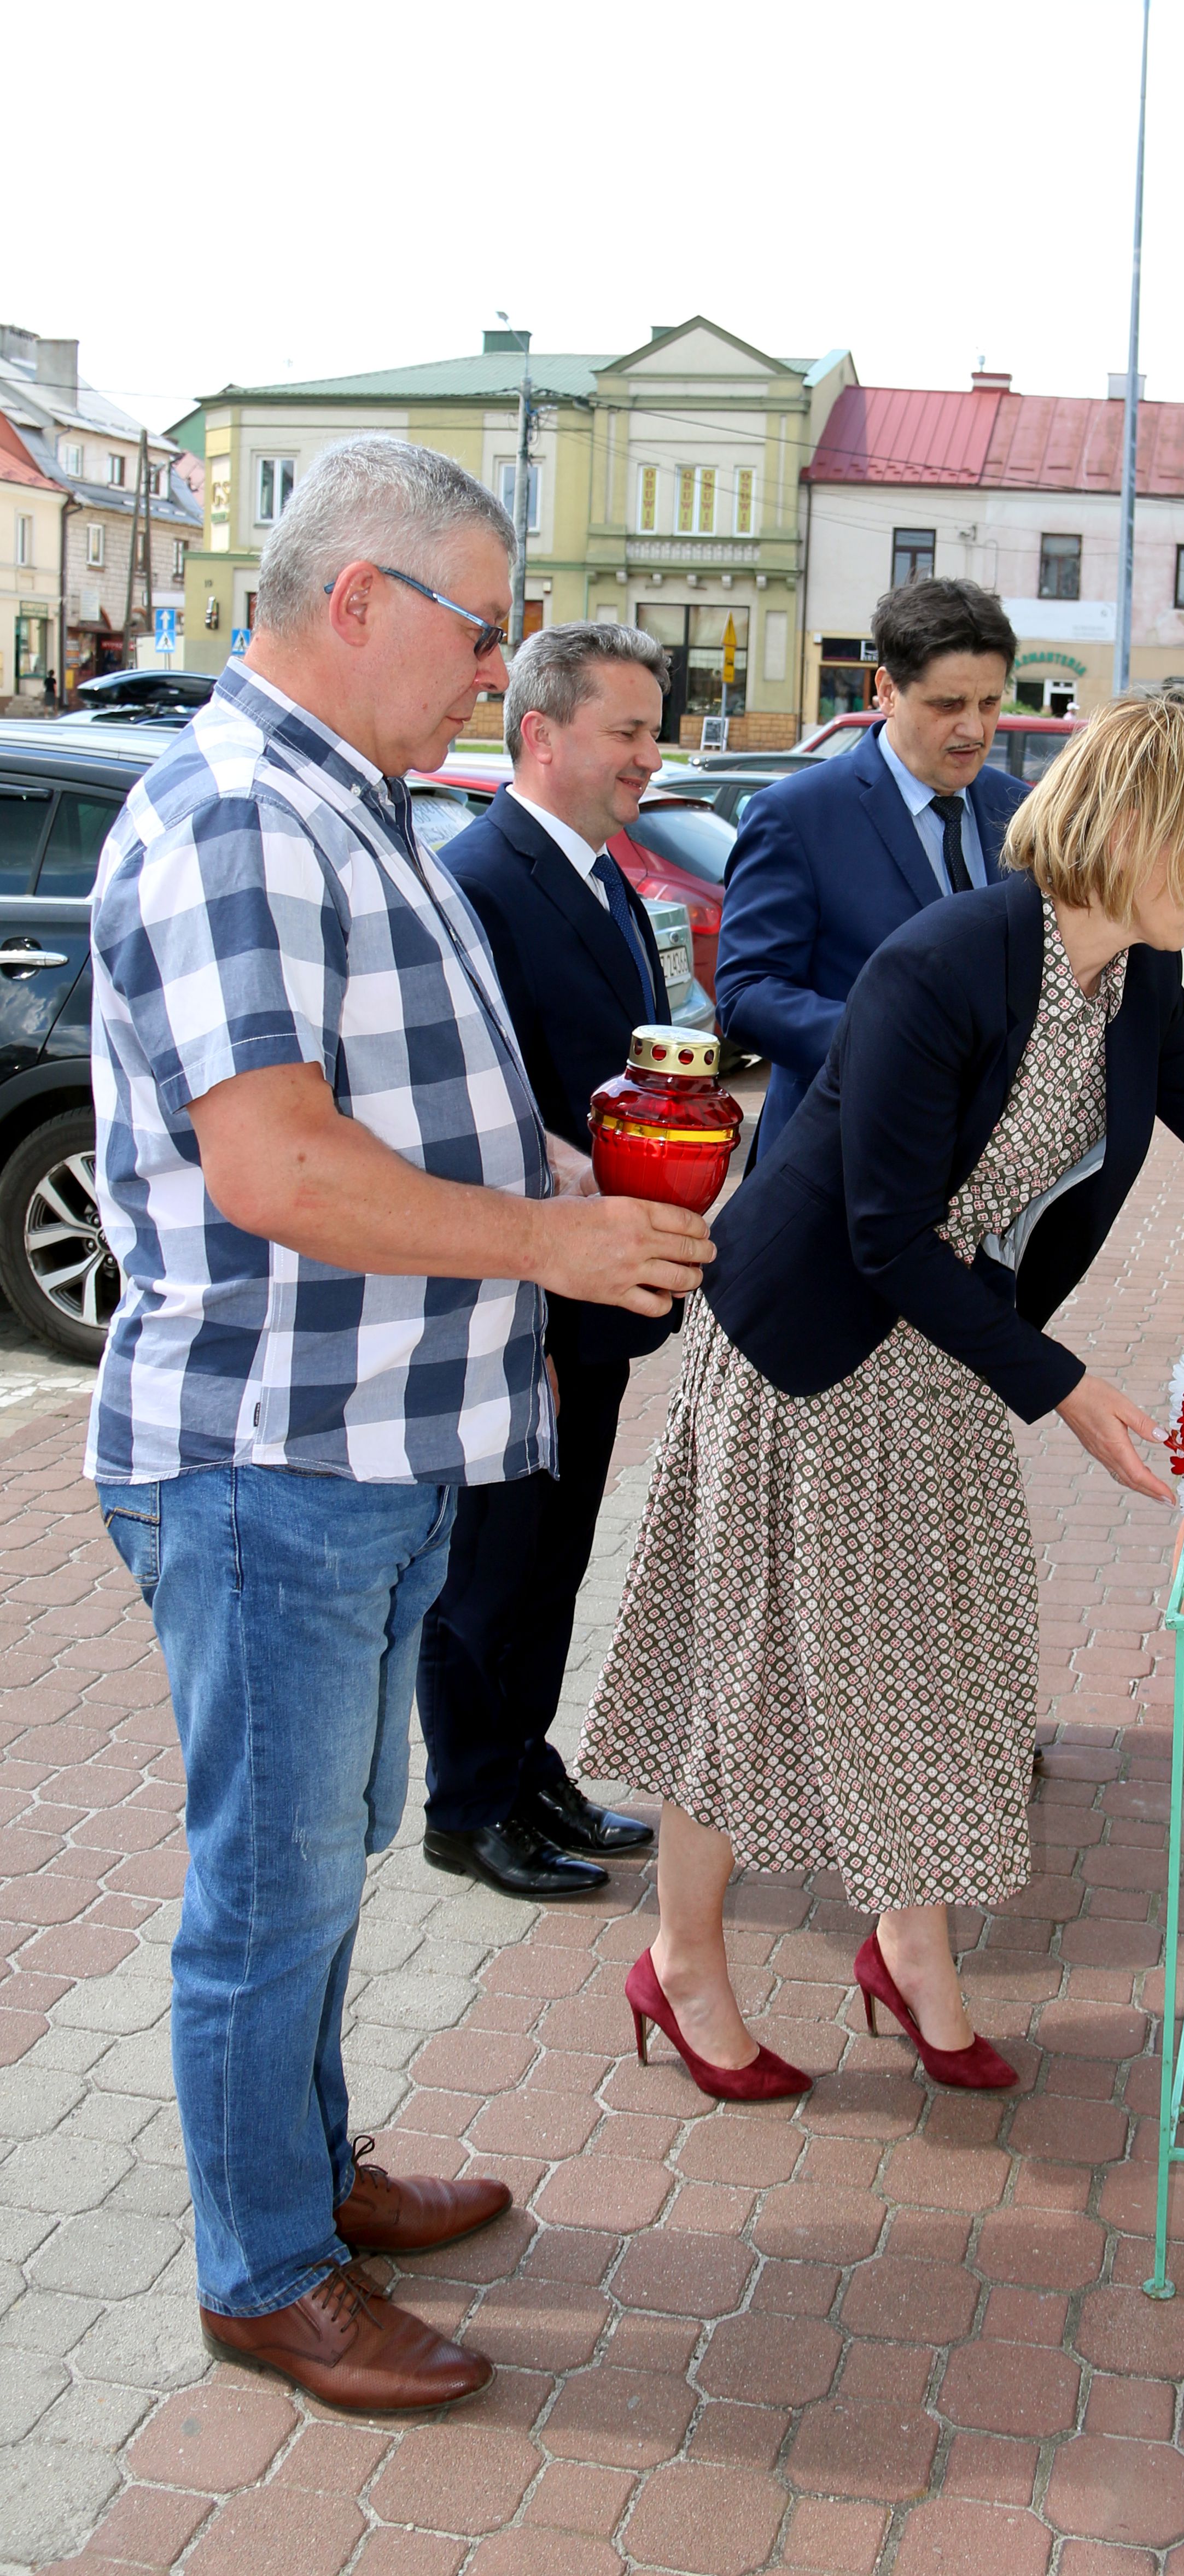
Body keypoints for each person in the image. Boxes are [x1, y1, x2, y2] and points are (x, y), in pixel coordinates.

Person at [577, 695, 1184, 2100]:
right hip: (815, 1352)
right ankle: (682, 1957)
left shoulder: (1132, 978)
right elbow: (883, 1232)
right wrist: (1074, 1393)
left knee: (943, 1669)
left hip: (949, 1356)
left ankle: (911, 1955)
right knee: (755, 1665)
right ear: (1135, 832)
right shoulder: (941, 964)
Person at [86, 437, 713, 2410]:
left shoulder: (352, 806)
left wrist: (575, 1178)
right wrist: (549, 1236)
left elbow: (434, 1097)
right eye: (478, 623)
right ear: (356, 599)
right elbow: (278, 1165)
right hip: (270, 1456)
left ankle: (311, 2173)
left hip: (364, 1445)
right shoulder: (232, 824)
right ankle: (263, 2267)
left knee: (324, 1866)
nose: (492, 664)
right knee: (269, 1888)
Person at [417, 623, 681, 1897]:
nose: (650, 752)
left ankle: (525, 1767)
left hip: (596, 1288)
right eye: (625, 730)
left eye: (649, 727)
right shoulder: (480, 878)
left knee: (553, 1550)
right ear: (540, 734)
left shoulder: (598, 873)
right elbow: (475, 1111)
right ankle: (467, 1805)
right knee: (491, 1563)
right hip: (519, 1299)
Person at [715, 577, 1028, 1160]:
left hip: (975, 1178)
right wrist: (896, 1046)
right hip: (834, 1169)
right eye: (947, 705)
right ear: (885, 689)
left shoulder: (1023, 812)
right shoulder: (796, 815)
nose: (974, 729)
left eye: (989, 703)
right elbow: (746, 994)